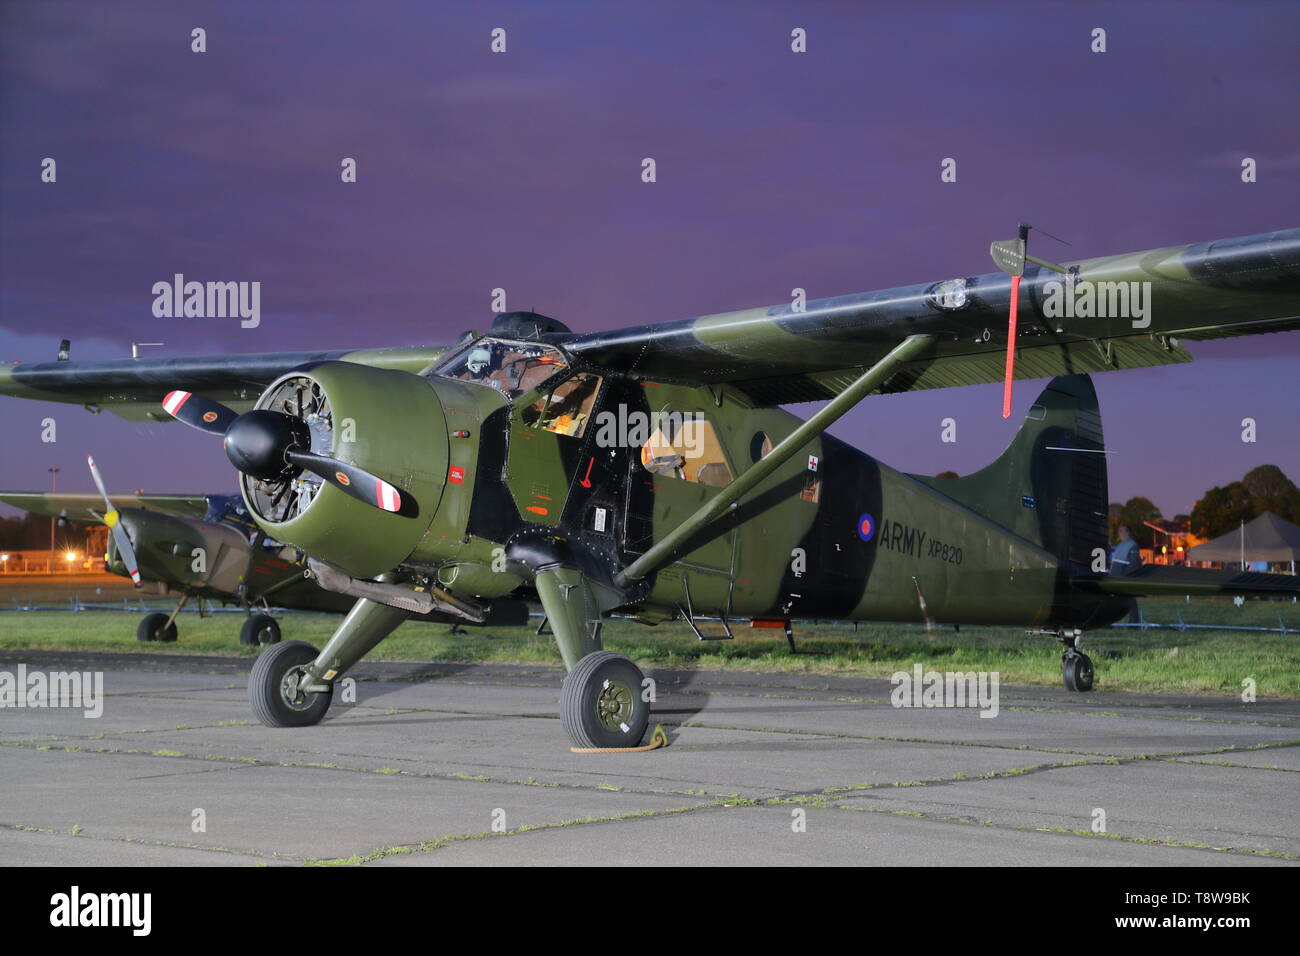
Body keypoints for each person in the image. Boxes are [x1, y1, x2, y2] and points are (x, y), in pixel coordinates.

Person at [1111, 525, 1142, 622]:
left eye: (1121, 531)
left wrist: (1125, 576)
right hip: (1116, 577)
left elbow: (1134, 564)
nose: (1119, 533)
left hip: (1123, 578)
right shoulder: (1120, 545)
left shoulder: (1132, 545)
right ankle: (1111, 622)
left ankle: (1134, 622)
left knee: (1129, 599)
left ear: (1127, 532)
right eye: (1119, 531)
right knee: (1115, 601)